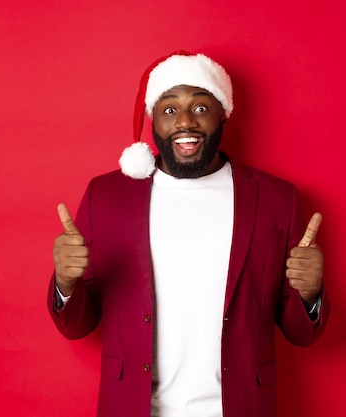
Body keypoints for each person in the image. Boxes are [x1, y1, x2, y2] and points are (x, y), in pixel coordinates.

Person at [47, 51, 330, 417]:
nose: (185, 122)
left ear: (222, 114)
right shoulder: (106, 196)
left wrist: (309, 293)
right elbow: (78, 327)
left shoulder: (277, 199)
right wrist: (66, 285)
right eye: (169, 109)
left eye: (200, 108)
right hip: (134, 408)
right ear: (153, 119)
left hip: (242, 407)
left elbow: (300, 334)